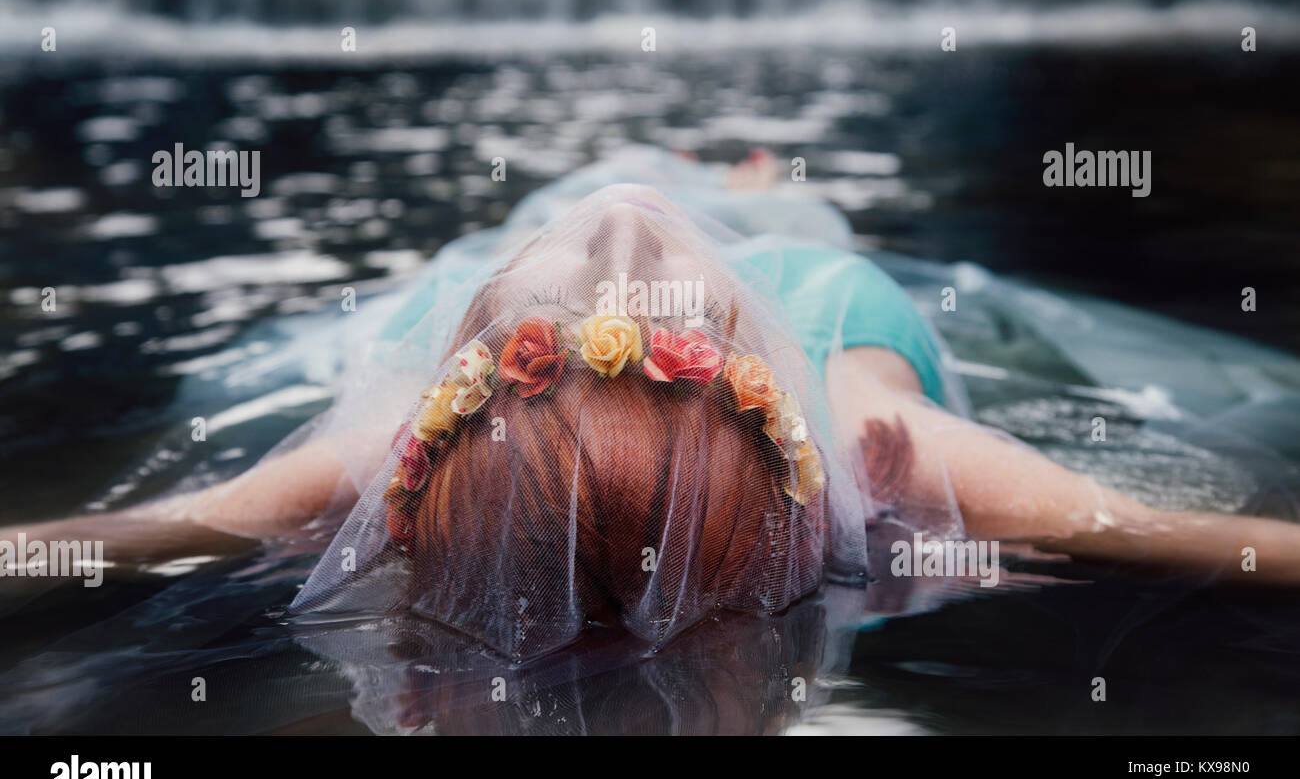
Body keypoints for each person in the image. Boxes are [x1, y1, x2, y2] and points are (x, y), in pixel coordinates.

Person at [5, 147, 1300, 660]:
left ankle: (719, 184)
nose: (621, 226)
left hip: (554, 328)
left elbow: (133, 533)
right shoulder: (873, 444)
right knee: (769, 202)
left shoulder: (379, 443)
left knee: (634, 182)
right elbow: (1152, 529)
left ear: (479, 338)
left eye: (590, 257)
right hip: (823, 293)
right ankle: (748, 186)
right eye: (663, 262)